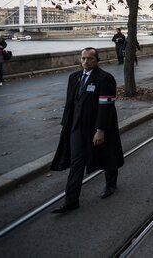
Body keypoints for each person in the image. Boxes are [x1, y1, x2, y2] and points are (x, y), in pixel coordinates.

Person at [50, 47, 124, 214]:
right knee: (77, 163)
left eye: (90, 58)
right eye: (83, 58)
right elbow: (70, 103)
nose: (86, 61)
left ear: (97, 60)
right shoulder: (74, 77)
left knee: (107, 155)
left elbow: (106, 106)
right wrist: (66, 125)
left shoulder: (105, 78)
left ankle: (111, 184)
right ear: (80, 59)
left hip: (98, 126)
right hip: (76, 128)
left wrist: (101, 130)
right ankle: (71, 201)